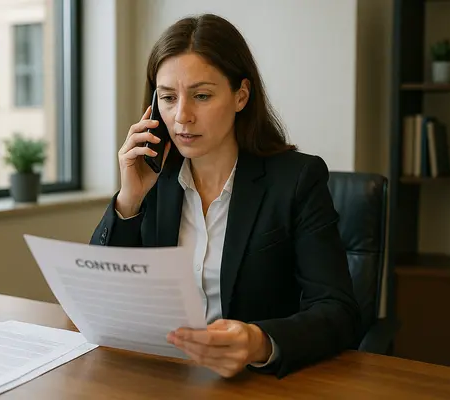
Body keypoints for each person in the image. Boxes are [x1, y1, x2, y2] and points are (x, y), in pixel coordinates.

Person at [90, 13, 361, 379]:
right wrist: (129, 200)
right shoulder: (153, 179)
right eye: (168, 98)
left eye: (201, 96)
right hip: (165, 376)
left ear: (241, 96)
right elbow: (100, 299)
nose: (182, 116)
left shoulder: (296, 179)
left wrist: (260, 341)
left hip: (254, 383)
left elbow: (338, 311)